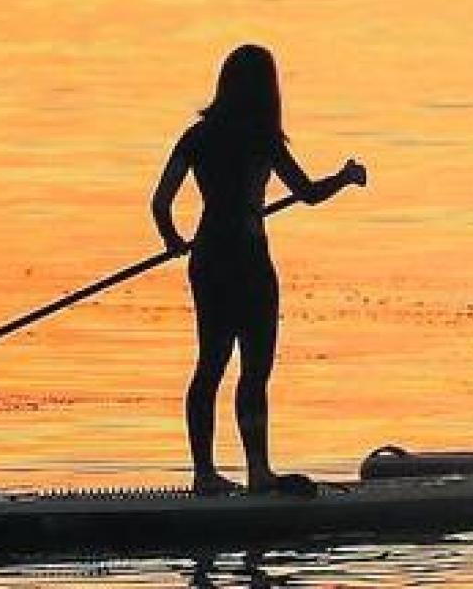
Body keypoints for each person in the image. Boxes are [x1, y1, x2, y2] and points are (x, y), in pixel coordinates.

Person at [150, 45, 366, 495]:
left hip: (208, 257)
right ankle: (258, 471)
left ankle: (204, 474)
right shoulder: (263, 138)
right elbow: (307, 193)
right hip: (248, 258)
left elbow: (160, 202)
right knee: (254, 368)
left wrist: (172, 239)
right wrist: (344, 178)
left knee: (210, 363)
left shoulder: (197, 137)